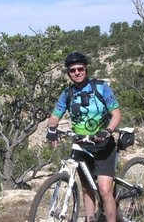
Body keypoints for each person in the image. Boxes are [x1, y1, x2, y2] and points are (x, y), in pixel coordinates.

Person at [45, 51, 122, 222]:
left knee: (104, 189)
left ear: (86, 69)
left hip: (103, 145)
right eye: (73, 70)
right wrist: (52, 128)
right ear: (69, 73)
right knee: (87, 188)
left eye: (80, 69)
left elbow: (116, 114)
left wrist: (107, 130)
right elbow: (55, 115)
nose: (77, 72)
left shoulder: (101, 87)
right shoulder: (67, 93)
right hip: (81, 145)